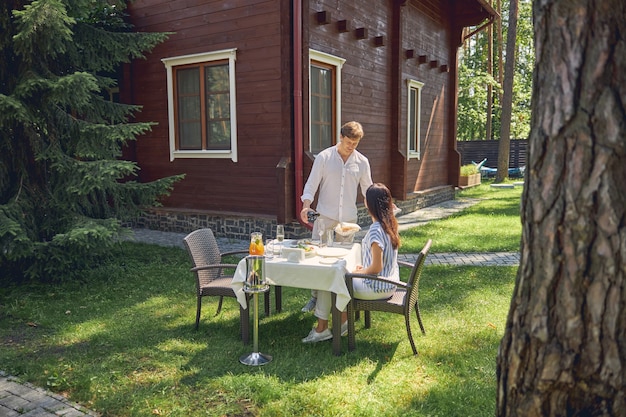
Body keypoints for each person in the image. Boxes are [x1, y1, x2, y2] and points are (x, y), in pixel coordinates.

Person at [302, 183, 401, 343]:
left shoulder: (376, 230)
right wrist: (364, 269)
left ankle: (322, 329)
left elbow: (376, 267)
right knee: (337, 276)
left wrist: (358, 272)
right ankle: (342, 322)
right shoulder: (390, 225)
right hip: (388, 282)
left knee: (328, 279)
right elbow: (380, 263)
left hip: (377, 287)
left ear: (368, 204)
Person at [299, 121, 373, 313]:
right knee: (317, 261)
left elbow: (368, 191)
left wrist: (378, 212)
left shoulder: (362, 162)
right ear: (341, 137)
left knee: (345, 263)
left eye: (355, 144)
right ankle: (315, 298)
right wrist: (306, 206)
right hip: (324, 218)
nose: (351, 147)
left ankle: (341, 302)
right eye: (349, 142)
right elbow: (311, 184)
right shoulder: (324, 157)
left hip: (348, 222)